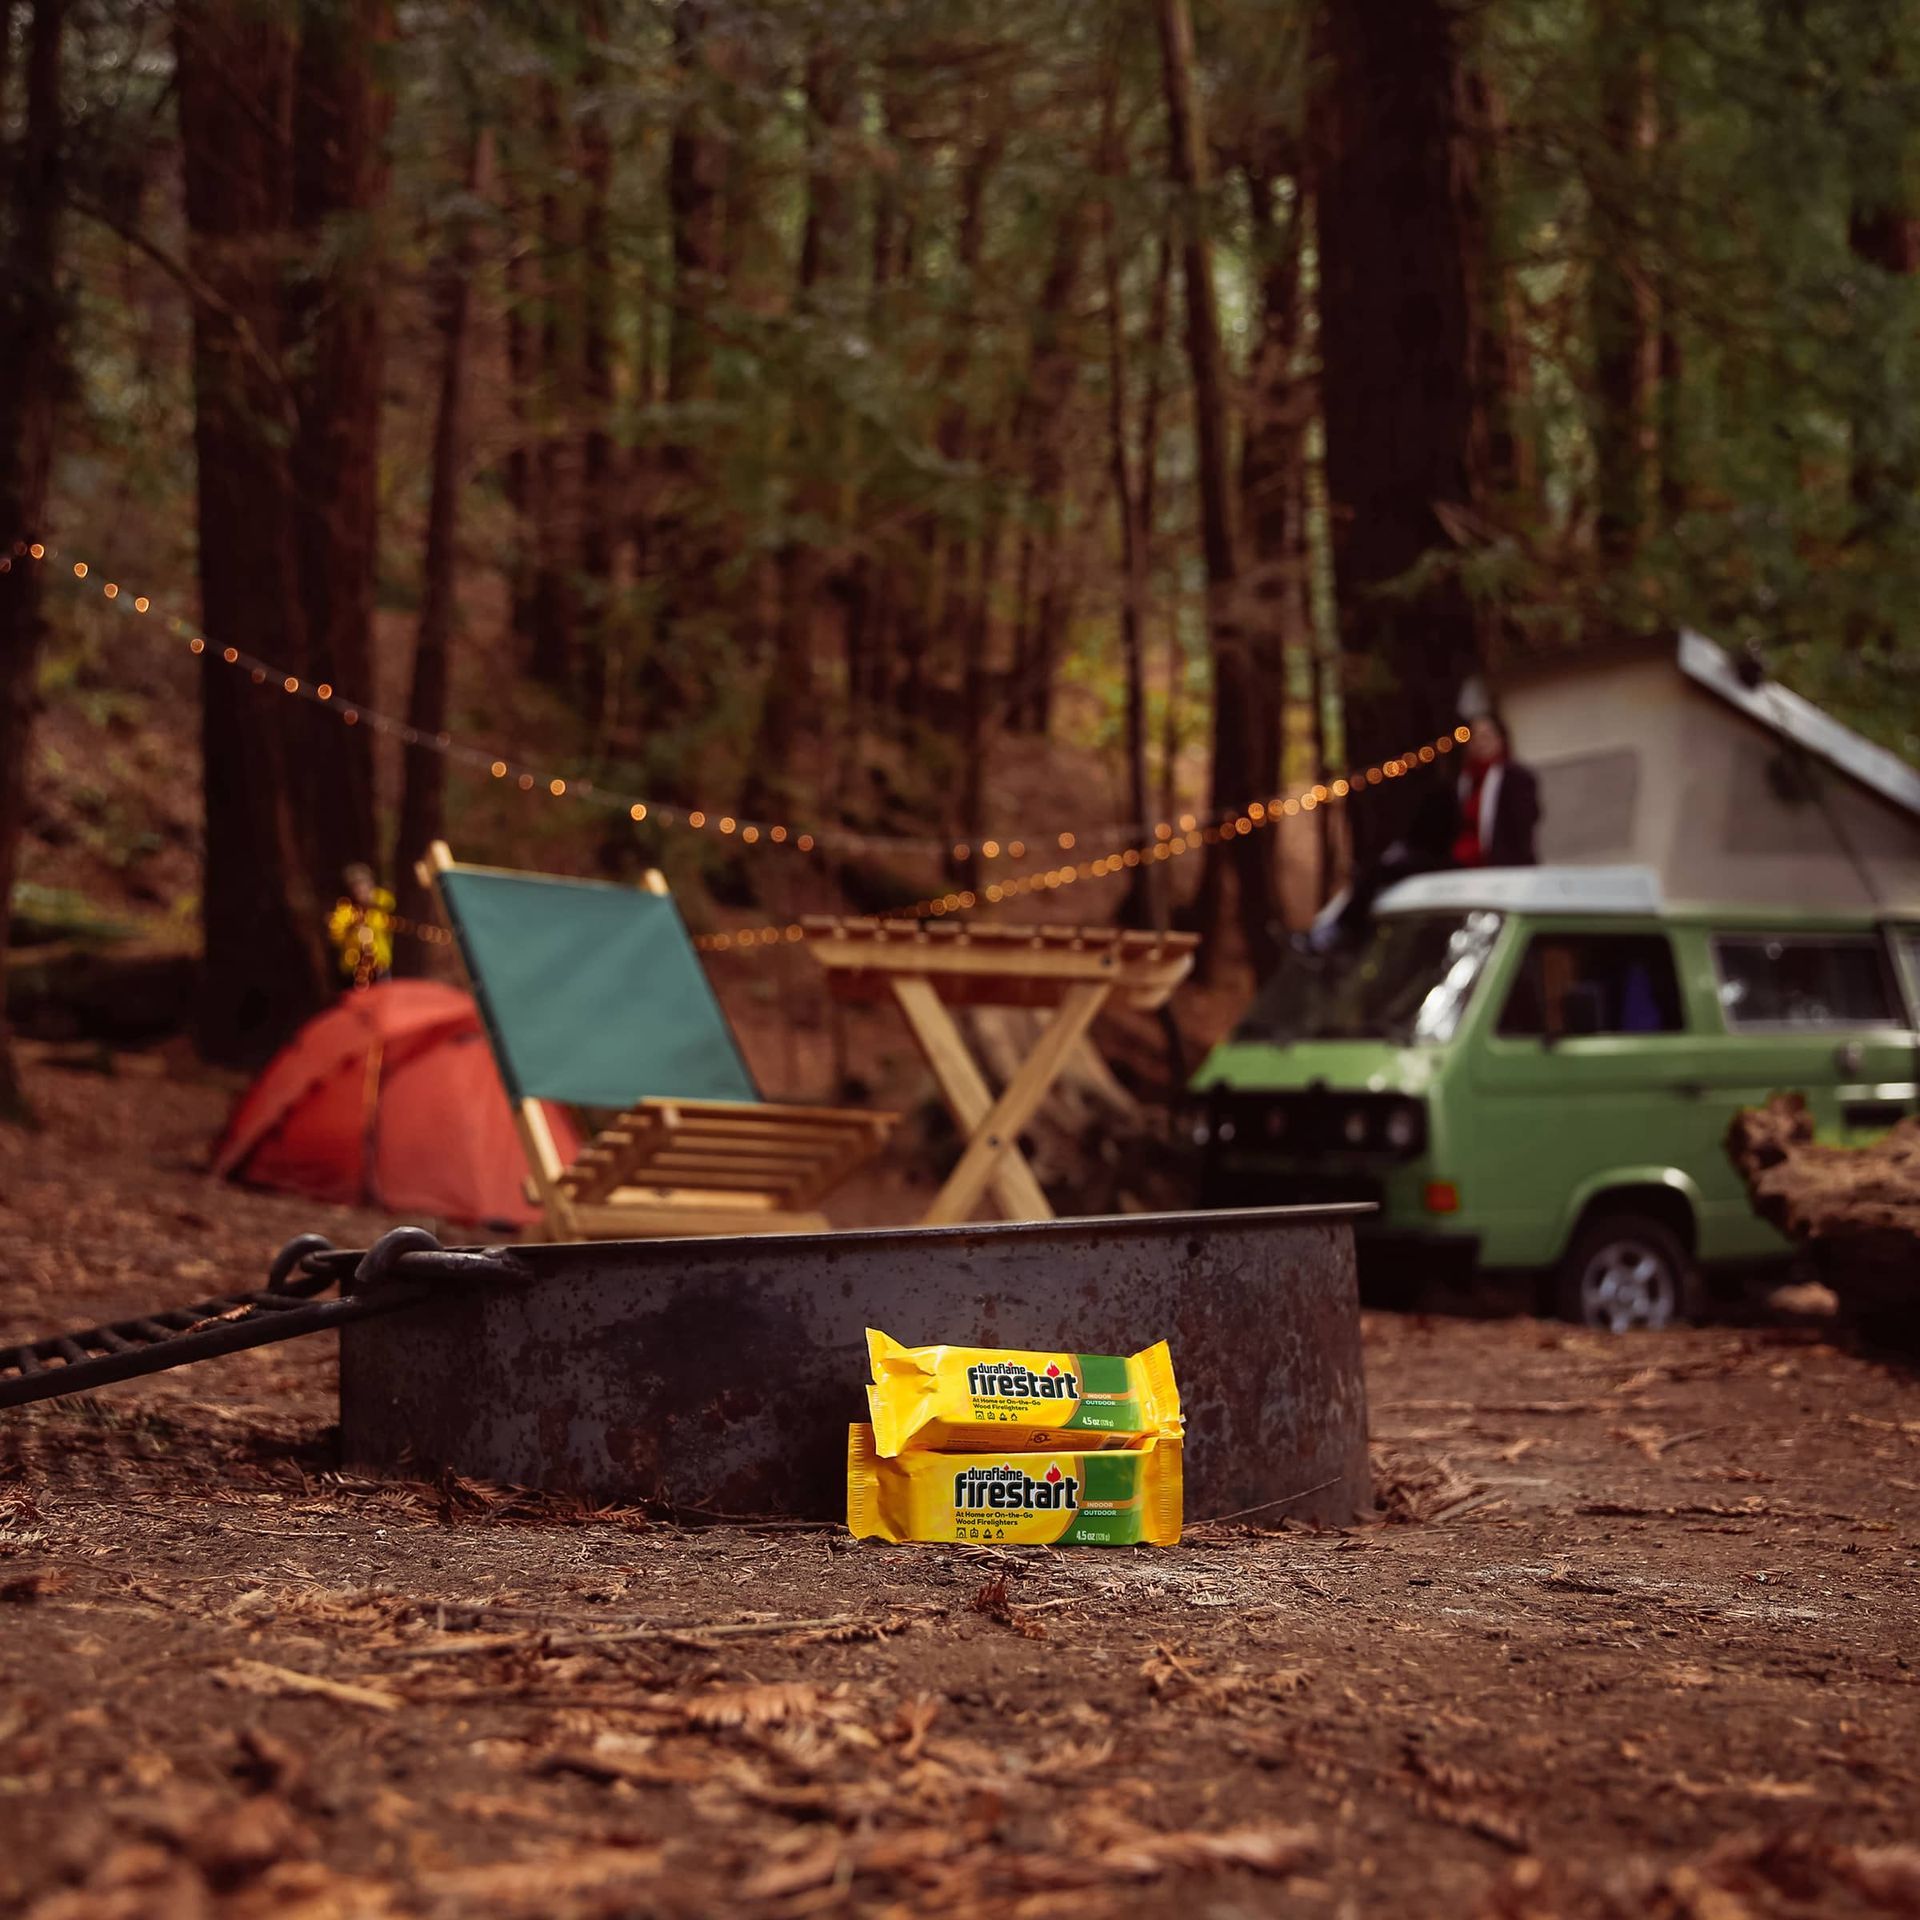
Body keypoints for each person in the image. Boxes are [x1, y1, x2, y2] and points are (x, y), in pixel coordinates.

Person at [1451, 710, 1539, 868]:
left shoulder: (1516, 777)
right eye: (1474, 738)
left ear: (1500, 739)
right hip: (1468, 868)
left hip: (1506, 868)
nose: (1480, 743)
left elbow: (1523, 829)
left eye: (1485, 736)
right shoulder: (1464, 781)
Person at [327, 863, 395, 988]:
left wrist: (371, 902)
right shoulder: (344, 911)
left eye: (363, 884)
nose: (360, 890)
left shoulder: (379, 902)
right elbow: (335, 936)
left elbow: (389, 902)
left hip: (380, 963)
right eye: (356, 886)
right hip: (355, 967)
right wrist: (351, 927)